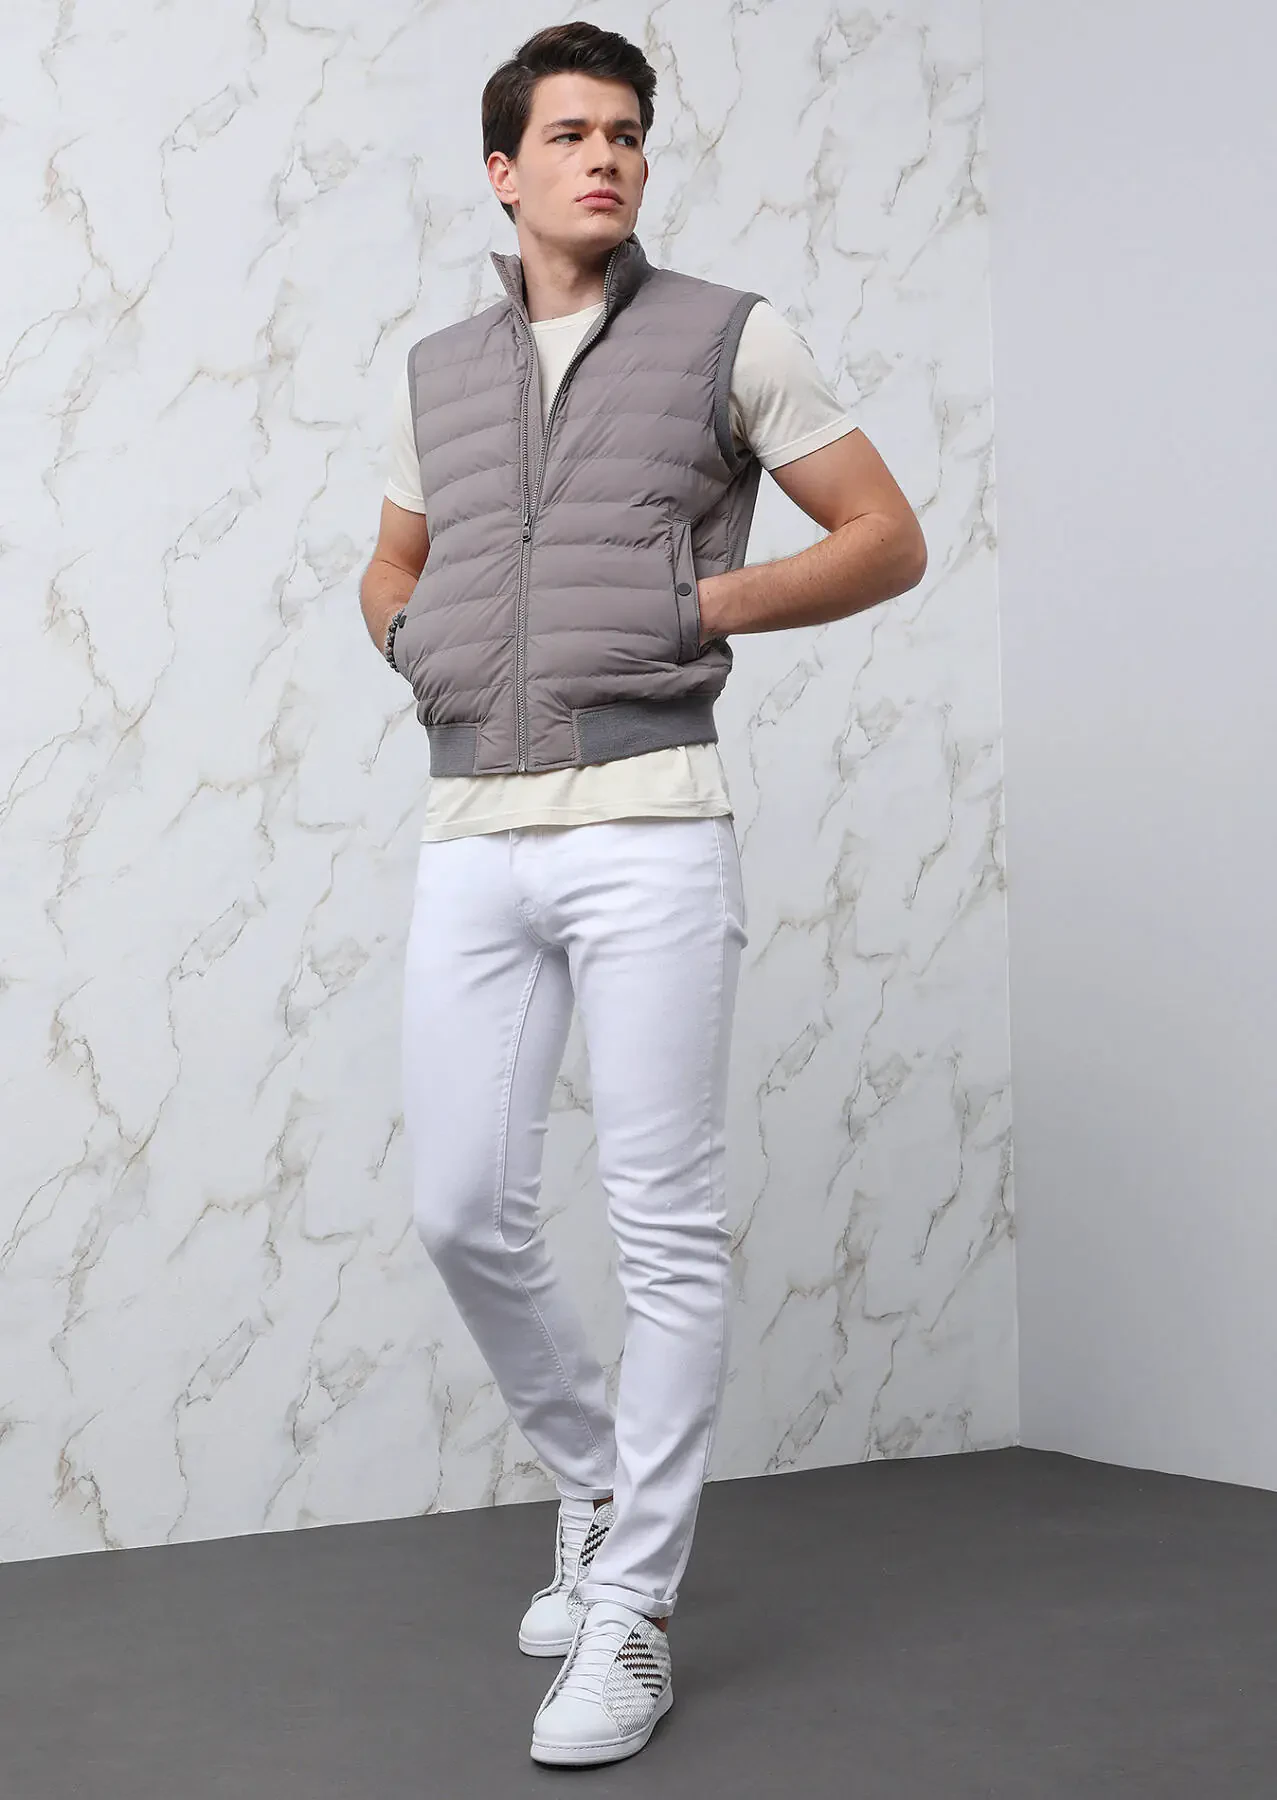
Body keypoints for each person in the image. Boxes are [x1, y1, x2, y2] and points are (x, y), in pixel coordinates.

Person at [359, 20, 926, 1770]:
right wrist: (413, 639)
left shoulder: (727, 336)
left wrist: (698, 607)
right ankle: (593, 1481)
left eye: (626, 133)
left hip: (652, 823)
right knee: (462, 1206)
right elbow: (395, 558)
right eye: (570, 133)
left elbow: (885, 535)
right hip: (476, 823)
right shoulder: (439, 368)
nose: (605, 157)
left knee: (664, 1226)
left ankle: (637, 1612)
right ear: (502, 170)